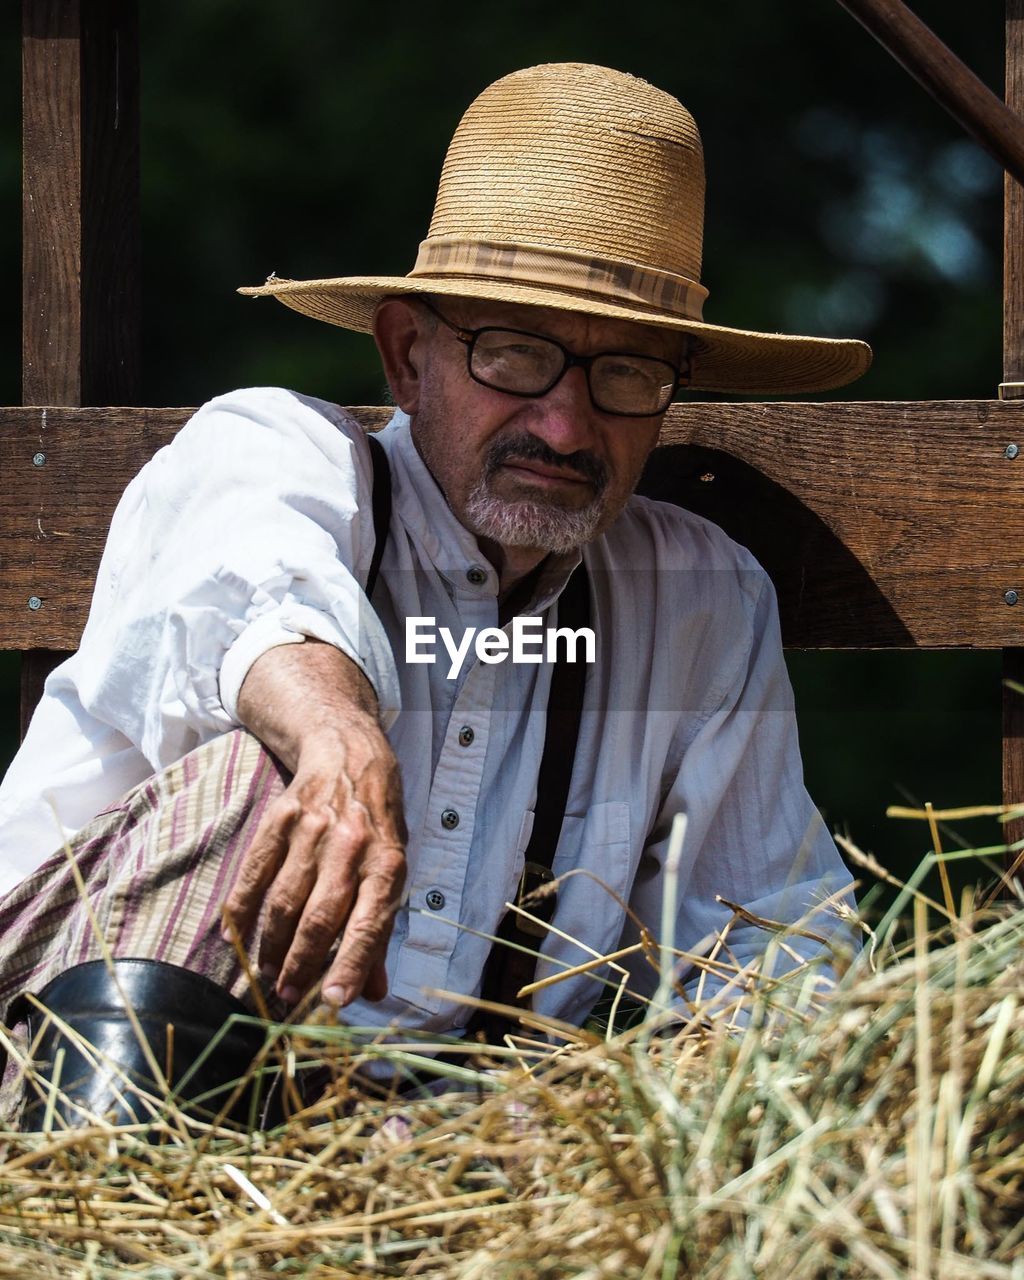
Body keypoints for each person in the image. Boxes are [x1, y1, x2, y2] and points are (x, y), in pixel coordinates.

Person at [0, 63, 868, 1085]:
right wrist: (336, 737)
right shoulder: (271, 452)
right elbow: (255, 599)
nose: (563, 423)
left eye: (626, 372)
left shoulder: (699, 599)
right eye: (513, 353)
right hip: (58, 1062)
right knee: (251, 777)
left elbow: (777, 952)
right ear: (408, 355)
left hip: (436, 1163)